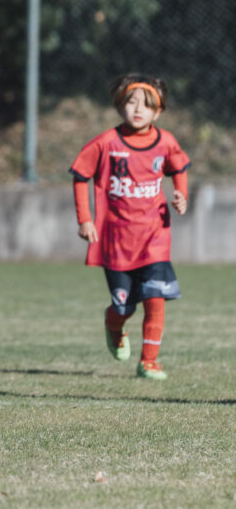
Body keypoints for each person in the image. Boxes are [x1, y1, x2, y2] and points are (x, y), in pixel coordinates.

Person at [70, 74, 190, 380]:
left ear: (158, 111)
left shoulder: (166, 142)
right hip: (116, 240)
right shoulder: (106, 143)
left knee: (156, 297)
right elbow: (81, 175)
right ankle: (113, 326)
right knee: (124, 307)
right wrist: (85, 219)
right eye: (130, 102)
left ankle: (149, 361)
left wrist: (181, 196)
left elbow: (178, 169)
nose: (137, 110)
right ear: (119, 105)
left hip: (154, 236)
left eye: (146, 105)